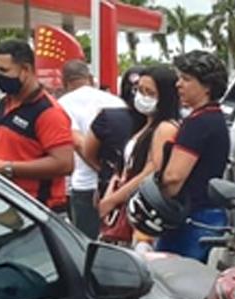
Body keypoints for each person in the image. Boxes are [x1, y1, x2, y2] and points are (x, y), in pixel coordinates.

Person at [0, 39, 74, 214]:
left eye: (3, 70)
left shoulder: (48, 112)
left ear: (26, 70)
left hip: (39, 211)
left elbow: (64, 164)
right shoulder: (5, 103)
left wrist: (7, 168)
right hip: (8, 205)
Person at [158, 50, 231, 262]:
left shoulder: (198, 124)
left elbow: (173, 178)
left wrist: (157, 199)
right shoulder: (214, 118)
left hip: (192, 218)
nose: (178, 84)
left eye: (186, 79)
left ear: (207, 86)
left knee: (176, 285)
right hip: (208, 217)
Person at [97, 65, 181, 247]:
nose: (142, 97)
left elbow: (151, 171)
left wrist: (112, 200)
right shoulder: (143, 126)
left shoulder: (165, 128)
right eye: (139, 90)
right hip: (125, 204)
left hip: (141, 216)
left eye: (149, 92)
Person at [58, 59, 126, 239]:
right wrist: (112, 173)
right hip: (118, 185)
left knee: (85, 242)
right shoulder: (115, 101)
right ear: (89, 78)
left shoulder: (62, 104)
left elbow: (79, 143)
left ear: (64, 82)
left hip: (85, 184)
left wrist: (100, 169)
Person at [82, 66, 146, 200]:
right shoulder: (167, 123)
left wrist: (107, 173)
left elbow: (88, 153)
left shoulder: (107, 117)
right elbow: (88, 152)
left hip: (117, 191)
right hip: (121, 191)